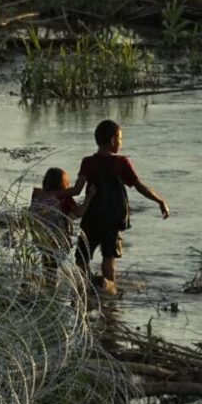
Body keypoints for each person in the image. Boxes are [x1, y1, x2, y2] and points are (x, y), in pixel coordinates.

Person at [65, 120, 170, 295]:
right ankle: (109, 293)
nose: (121, 143)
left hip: (91, 217)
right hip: (113, 220)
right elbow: (139, 186)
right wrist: (160, 201)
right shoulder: (121, 163)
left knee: (81, 258)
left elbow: (76, 190)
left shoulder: (88, 162)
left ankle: (82, 291)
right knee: (109, 259)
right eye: (120, 139)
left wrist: (54, 195)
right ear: (113, 140)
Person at [30, 167, 91, 277]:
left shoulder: (37, 194)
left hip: (39, 236)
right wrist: (90, 196)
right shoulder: (65, 199)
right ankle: (50, 287)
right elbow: (79, 212)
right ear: (63, 184)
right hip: (58, 240)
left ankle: (45, 283)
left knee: (47, 264)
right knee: (53, 267)